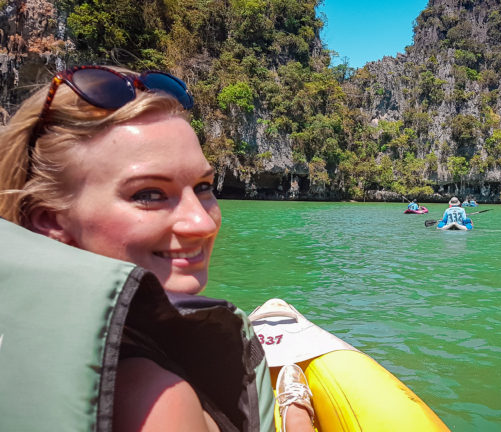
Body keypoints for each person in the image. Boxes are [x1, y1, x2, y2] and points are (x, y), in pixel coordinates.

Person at [0, 65, 313, 432]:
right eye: (148, 194)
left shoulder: (27, 336)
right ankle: (296, 414)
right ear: (49, 219)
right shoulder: (157, 398)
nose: (202, 222)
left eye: (203, 186)